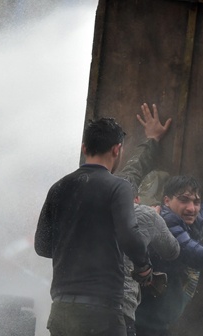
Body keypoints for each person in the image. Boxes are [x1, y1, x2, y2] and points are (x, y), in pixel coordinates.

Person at [35, 117, 153, 336]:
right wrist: (144, 267)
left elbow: (41, 246)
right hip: (101, 311)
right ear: (117, 149)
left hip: (61, 309)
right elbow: (129, 234)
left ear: (84, 148)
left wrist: (72, 247)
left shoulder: (58, 187)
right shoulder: (119, 187)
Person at [134, 175, 203, 336]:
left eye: (196, 202)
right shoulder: (165, 223)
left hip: (153, 320)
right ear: (166, 201)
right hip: (145, 324)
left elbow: (199, 216)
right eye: (184, 200)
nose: (191, 208)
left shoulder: (178, 217)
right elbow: (200, 257)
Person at [115, 103, 180, 336]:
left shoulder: (98, 193)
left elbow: (133, 169)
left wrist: (152, 140)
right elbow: (173, 251)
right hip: (117, 313)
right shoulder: (144, 214)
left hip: (76, 305)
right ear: (137, 197)